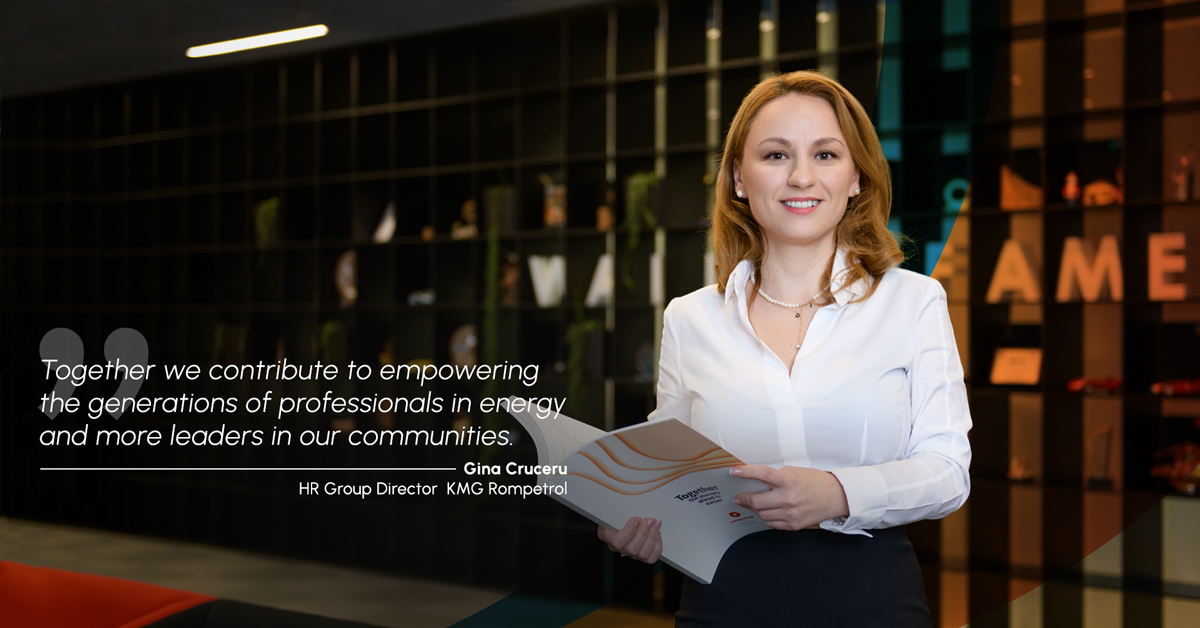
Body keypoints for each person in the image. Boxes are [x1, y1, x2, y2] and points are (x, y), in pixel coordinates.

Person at [597, 70, 972, 626]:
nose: (801, 177)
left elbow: (948, 472)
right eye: (776, 155)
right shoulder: (690, 318)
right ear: (738, 178)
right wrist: (632, 519)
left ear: (856, 178)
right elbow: (670, 477)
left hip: (872, 601)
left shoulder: (913, 301)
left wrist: (837, 493)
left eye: (825, 155)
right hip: (725, 601)